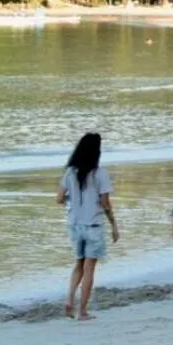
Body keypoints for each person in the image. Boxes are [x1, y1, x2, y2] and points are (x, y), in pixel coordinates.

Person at [57, 132, 119, 321]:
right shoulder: (100, 174)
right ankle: (82, 311)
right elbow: (105, 203)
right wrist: (114, 225)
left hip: (75, 225)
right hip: (93, 225)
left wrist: (75, 202)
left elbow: (59, 199)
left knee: (79, 264)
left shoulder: (70, 172)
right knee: (89, 268)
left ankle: (69, 299)